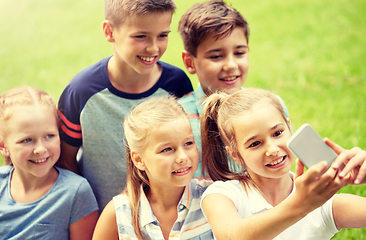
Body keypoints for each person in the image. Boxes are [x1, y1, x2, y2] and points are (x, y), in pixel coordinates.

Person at [57, 0, 193, 212]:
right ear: (110, 31)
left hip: (167, 217)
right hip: (102, 216)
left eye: (163, 35)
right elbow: (66, 162)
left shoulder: (177, 84)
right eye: (141, 36)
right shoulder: (81, 91)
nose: (153, 47)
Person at [199, 88, 366, 240]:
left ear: (289, 127)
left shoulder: (323, 202)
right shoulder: (222, 195)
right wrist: (300, 205)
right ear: (235, 155)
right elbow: (231, 236)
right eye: (255, 143)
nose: (272, 149)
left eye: (278, 133)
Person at [177, 0, 289, 177]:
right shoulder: (178, 118)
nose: (231, 65)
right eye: (216, 56)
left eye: (239, 53)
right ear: (190, 62)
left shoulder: (271, 107)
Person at [92, 96, 213, 240]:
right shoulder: (117, 214)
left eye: (188, 143)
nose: (182, 157)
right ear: (138, 160)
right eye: (167, 149)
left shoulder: (213, 198)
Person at [0, 86, 98, 240]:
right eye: (27, 140)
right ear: (3, 145)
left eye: (49, 136)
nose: (40, 149)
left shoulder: (76, 192)